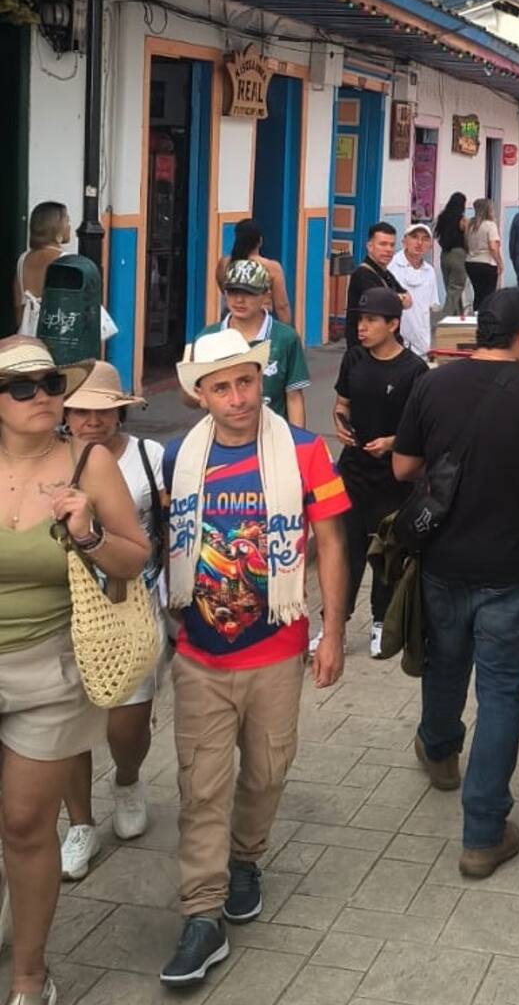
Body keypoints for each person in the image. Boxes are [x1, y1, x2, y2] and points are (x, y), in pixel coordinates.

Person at [160, 329, 350, 986]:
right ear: (201, 395)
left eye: (245, 382)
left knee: (267, 773)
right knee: (201, 785)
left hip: (276, 650)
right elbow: (163, 538)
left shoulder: (304, 452)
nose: (238, 398)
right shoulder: (179, 457)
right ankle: (201, 913)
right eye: (222, 387)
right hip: (199, 655)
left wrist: (334, 631)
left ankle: (246, 858)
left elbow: (331, 541)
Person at [392, 290, 519, 878]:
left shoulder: (434, 384)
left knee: (445, 664)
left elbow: (402, 466)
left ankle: (439, 750)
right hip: (514, 570)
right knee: (500, 694)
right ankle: (482, 834)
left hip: (444, 561)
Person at [0, 338, 148, 1005]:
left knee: (25, 824)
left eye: (50, 382)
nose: (42, 395)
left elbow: (133, 559)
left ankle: (30, 974)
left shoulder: (89, 462)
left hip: (51, 670)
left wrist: (87, 531)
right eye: (22, 386)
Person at [59, 364, 169, 881]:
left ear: (120, 412)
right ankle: (80, 823)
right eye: (80, 410)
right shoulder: (53, 459)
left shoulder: (149, 456)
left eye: (103, 410)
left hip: (134, 603)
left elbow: (168, 525)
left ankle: (127, 778)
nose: (92, 420)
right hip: (66, 607)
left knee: (129, 722)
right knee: (66, 725)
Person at [331, 288, 428, 658]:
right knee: (346, 548)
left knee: (385, 551)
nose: (362, 327)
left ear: (393, 325)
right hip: (352, 471)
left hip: (392, 476)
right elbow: (342, 404)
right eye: (360, 320)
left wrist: (391, 442)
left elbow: (421, 428)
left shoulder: (414, 370)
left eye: (371, 320)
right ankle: (335, 623)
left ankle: (381, 621)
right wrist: (340, 423)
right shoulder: (353, 359)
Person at [195, 261, 309, 426]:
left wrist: (298, 440)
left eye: (249, 293)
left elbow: (294, 397)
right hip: (222, 435)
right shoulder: (207, 337)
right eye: (232, 292)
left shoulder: (285, 338)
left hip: (272, 434)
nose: (239, 300)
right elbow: (194, 395)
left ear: (266, 295)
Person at [214, 219, 292, 325]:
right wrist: (287, 330)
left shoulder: (225, 263)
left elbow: (224, 290)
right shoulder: (272, 267)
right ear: (260, 241)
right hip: (258, 320)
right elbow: (282, 306)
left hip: (231, 319)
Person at [345, 222, 408, 348]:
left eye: (392, 245)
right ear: (370, 246)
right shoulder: (362, 274)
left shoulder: (386, 274)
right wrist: (398, 298)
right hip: (366, 349)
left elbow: (408, 301)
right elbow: (383, 303)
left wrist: (397, 298)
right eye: (383, 244)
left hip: (386, 345)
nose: (388, 249)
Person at [13, 200, 70, 337]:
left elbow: (19, 312)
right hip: (55, 339)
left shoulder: (23, 260)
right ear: (57, 228)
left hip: (28, 339)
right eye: (67, 221)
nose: (69, 226)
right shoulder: (67, 261)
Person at [388, 223, 442, 359]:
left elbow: (431, 307)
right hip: (394, 341)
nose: (419, 243)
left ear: (430, 245)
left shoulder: (429, 271)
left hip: (421, 343)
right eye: (414, 237)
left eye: (425, 239)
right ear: (404, 241)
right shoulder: (391, 267)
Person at [434, 192, 469, 317]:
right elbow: (467, 237)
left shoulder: (442, 217)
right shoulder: (462, 220)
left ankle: (457, 316)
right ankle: (446, 315)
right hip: (458, 254)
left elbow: (436, 235)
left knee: (449, 286)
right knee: (456, 287)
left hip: (445, 255)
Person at [465, 197, 504, 310]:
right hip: (487, 263)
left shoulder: (470, 225)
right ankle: (486, 316)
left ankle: (477, 315)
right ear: (488, 209)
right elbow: (493, 247)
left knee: (478, 294)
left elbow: (466, 244)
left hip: (471, 262)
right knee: (489, 295)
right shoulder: (490, 225)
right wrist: (499, 262)